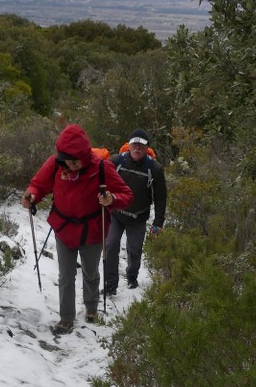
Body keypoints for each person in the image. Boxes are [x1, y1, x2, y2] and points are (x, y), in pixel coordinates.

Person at [21, 124, 134, 335]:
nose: (70, 165)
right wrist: (32, 194)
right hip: (64, 229)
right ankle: (66, 318)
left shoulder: (102, 167)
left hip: (92, 230)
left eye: (75, 161)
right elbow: (39, 184)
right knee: (66, 276)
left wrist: (112, 199)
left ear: (84, 154)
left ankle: (91, 308)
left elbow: (127, 195)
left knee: (90, 273)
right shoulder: (56, 164)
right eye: (67, 161)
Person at [104, 127, 167, 294]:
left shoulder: (155, 169)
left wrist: (158, 222)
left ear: (147, 148)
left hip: (138, 217)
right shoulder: (117, 161)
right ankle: (110, 284)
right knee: (110, 245)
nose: (137, 148)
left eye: (141, 145)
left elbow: (161, 197)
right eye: (134, 144)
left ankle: (131, 277)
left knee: (135, 249)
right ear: (128, 145)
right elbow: (100, 180)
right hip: (116, 214)